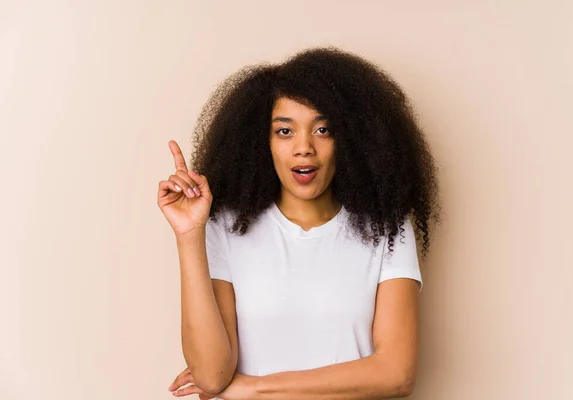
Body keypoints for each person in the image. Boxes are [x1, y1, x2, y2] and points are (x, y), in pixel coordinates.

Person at [158, 47, 441, 399]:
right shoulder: (223, 228)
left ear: (351, 139)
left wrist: (255, 389)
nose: (304, 147)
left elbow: (396, 374)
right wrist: (188, 235)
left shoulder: (388, 229)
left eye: (323, 129)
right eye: (284, 131)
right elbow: (212, 377)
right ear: (263, 142)